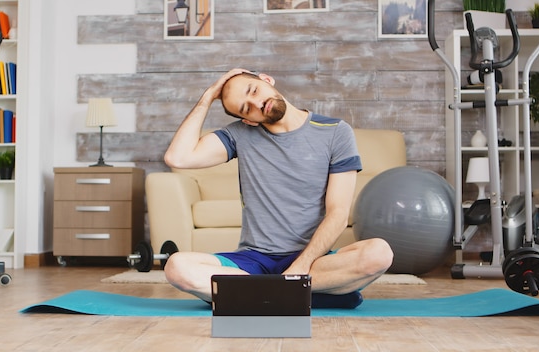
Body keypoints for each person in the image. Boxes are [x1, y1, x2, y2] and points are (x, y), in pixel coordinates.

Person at [163, 68, 393, 308]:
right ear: (248, 120)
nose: (256, 103)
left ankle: (257, 294)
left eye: (253, 90)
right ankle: (308, 293)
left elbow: (338, 212)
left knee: (379, 253)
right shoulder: (240, 135)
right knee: (177, 267)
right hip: (253, 261)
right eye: (246, 108)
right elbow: (178, 158)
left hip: (313, 259)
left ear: (266, 80)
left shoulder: (336, 132)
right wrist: (209, 96)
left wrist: (301, 268)